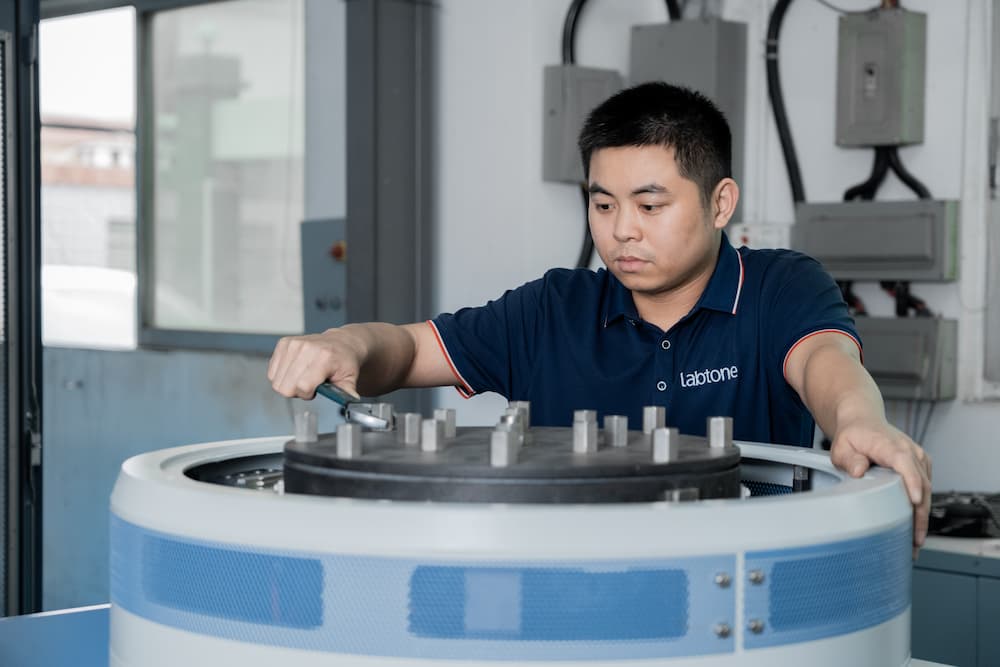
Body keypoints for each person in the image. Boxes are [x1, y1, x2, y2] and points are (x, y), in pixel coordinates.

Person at [268, 82, 931, 552]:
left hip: (743, 598)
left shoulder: (779, 287)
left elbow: (825, 362)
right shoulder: (556, 308)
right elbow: (410, 352)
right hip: (571, 608)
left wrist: (859, 422)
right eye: (604, 205)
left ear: (720, 202)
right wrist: (344, 343)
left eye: (650, 205)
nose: (622, 233)